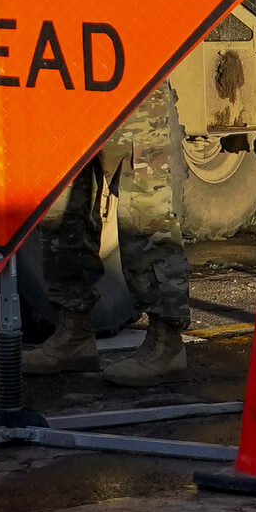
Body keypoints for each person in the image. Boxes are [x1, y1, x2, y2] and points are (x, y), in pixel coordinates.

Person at [22, 84, 197, 387]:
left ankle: (166, 343)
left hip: (130, 77)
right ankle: (73, 334)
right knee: (62, 209)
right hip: (66, 78)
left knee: (144, 210)